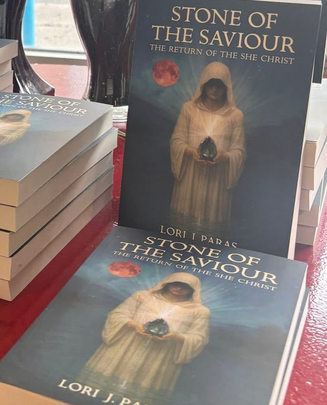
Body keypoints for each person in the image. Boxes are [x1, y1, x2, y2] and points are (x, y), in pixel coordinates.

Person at [78, 273, 210, 394]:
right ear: (167, 282)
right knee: (100, 385)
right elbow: (117, 314)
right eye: (176, 283)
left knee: (139, 389)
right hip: (127, 344)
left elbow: (199, 337)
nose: (179, 288)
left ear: (193, 289)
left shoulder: (200, 311)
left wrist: (175, 336)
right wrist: (135, 325)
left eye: (185, 286)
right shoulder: (142, 296)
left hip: (161, 354)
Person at [169, 62, 246, 238]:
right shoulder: (189, 109)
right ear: (203, 84)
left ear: (226, 87)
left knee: (211, 234)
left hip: (217, 180)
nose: (214, 89)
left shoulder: (235, 115)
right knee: (182, 233)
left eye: (219, 84)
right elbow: (176, 140)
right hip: (190, 176)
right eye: (211, 83)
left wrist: (224, 156)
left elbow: (239, 151)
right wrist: (190, 152)